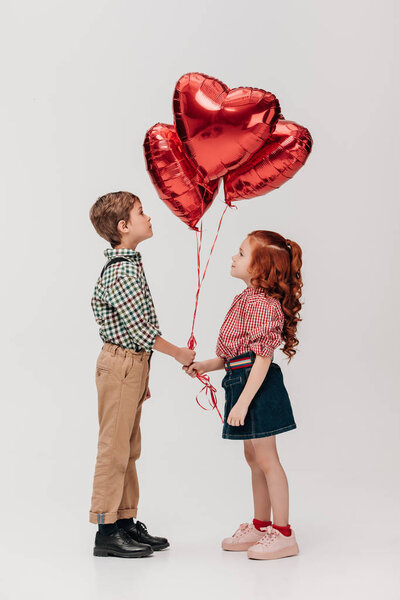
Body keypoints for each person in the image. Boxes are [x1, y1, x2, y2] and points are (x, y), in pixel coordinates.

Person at [89, 191, 195, 558]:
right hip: (121, 363)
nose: (148, 217)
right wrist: (179, 353)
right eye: (140, 212)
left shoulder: (131, 264)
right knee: (114, 450)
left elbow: (140, 336)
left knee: (129, 449)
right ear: (123, 227)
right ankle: (106, 531)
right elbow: (142, 332)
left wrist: (143, 376)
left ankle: (124, 521)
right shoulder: (122, 272)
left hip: (132, 366)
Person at [184, 230, 302, 560]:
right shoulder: (244, 299)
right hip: (240, 379)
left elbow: (261, 358)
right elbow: (235, 354)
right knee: (253, 459)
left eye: (241, 253)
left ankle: (283, 533)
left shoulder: (265, 306)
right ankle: (262, 524)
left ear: (260, 268)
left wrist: (243, 401)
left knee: (267, 459)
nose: (233, 257)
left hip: (256, 386)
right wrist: (207, 365)